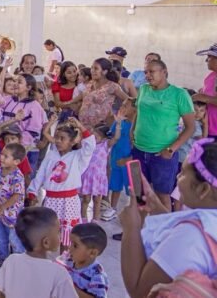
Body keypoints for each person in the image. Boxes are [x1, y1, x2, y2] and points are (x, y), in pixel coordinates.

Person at [120, 139, 217, 298]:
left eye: (184, 172)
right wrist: (156, 205)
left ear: (203, 189)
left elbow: (139, 291)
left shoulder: (191, 237)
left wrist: (131, 228)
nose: (178, 175)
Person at [132, 59, 195, 210]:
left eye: (151, 72)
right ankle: (138, 231)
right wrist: (131, 131)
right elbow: (138, 112)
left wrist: (171, 149)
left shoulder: (179, 94)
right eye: (146, 72)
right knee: (138, 195)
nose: (147, 75)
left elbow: (190, 127)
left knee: (162, 196)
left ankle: (163, 233)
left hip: (162, 155)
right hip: (138, 151)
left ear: (164, 72)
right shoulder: (143, 89)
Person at [28, 117, 96, 253]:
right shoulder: (51, 156)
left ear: (72, 142)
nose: (58, 141)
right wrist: (32, 191)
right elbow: (40, 174)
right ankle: (44, 261)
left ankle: (64, 262)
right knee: (47, 232)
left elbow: (90, 145)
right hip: (51, 200)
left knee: (67, 235)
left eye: (62, 138)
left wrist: (80, 125)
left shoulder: (78, 157)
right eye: (57, 138)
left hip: (69, 201)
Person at [0, 207, 77, 298]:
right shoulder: (59, 273)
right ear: (46, 242)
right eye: (58, 231)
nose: (60, 235)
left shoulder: (11, 261)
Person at [0, 143, 26, 269]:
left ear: (16, 161)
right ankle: (2, 258)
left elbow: (16, 195)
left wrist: (3, 207)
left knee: (14, 240)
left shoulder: (17, 176)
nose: (1, 157)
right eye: (2, 154)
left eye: (6, 156)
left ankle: (18, 263)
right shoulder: (0, 170)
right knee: (0, 237)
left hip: (13, 215)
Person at [63, 223, 109, 298]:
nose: (69, 248)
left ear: (92, 253)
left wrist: (69, 287)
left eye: (75, 245)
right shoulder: (69, 261)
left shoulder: (97, 276)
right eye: (71, 243)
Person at [193, 43, 217, 137]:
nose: (206, 60)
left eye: (209, 57)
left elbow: (205, 97)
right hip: (207, 127)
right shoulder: (212, 76)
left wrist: (203, 97)